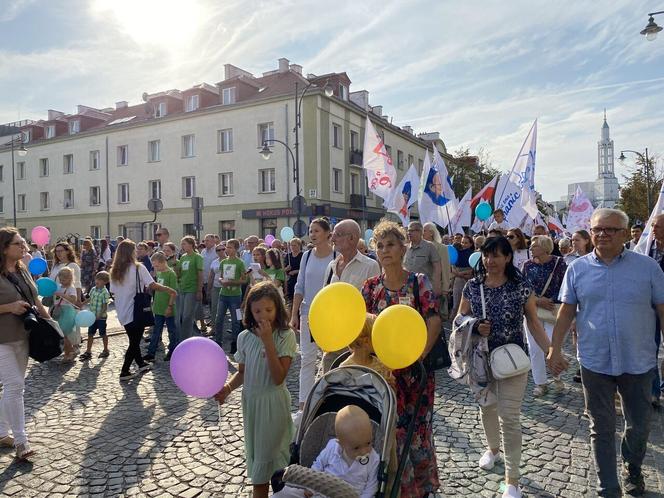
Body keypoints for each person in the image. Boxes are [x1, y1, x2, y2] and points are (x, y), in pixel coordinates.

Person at [548, 208, 664, 498]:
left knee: (639, 425)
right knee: (600, 426)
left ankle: (632, 468)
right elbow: (566, 311)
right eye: (598, 229)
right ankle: (607, 487)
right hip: (594, 361)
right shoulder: (577, 269)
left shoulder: (648, 268)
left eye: (611, 230)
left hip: (638, 361)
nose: (602, 234)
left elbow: (662, 309)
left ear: (625, 234)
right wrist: (554, 349)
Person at [456, 236, 551, 498]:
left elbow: (533, 321)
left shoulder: (520, 286)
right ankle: (493, 450)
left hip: (512, 360)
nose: (490, 261)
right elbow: (459, 318)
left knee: (509, 417)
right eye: (486, 255)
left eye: (496, 255)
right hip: (480, 359)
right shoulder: (472, 287)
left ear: (508, 257)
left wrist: (550, 350)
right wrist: (475, 324)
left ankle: (512, 480)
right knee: (486, 408)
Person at [361, 219, 441, 497]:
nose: (385, 250)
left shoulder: (418, 282)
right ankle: (394, 486)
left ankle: (423, 487)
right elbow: (363, 327)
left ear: (403, 247)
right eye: (380, 246)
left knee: (417, 434)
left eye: (391, 244)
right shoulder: (370, 287)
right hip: (383, 374)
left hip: (415, 374)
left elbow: (433, 319)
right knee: (389, 433)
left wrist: (420, 355)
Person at [214, 281, 297, 498]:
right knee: (259, 463)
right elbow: (243, 372)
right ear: (250, 311)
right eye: (257, 310)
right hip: (252, 405)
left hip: (273, 405)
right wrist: (228, 388)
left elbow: (278, 377)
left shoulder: (285, 336)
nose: (263, 316)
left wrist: (268, 342)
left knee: (270, 472)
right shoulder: (244, 337)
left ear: (277, 309)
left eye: (268, 310)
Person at [0, 227, 51, 460]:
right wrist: (9, 308)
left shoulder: (22, 270)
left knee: (12, 387)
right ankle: (21, 442)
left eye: (23, 243)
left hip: (24, 335)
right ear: (3, 248)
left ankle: (1, 433)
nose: (24, 247)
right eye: (18, 244)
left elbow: (35, 299)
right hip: (2, 339)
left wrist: (51, 323)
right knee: (15, 386)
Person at [273, 405, 380, 498]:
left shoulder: (373, 459)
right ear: (341, 443)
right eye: (356, 448)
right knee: (285, 493)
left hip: (351, 495)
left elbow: (370, 489)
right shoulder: (332, 447)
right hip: (322, 490)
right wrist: (310, 487)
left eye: (368, 443)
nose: (364, 451)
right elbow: (318, 467)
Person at [110, 240, 176, 381]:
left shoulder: (114, 270)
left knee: (133, 338)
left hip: (122, 310)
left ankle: (140, 364)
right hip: (136, 310)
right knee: (134, 343)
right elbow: (152, 284)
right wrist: (169, 290)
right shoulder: (138, 268)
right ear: (130, 252)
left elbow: (113, 292)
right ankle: (125, 371)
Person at [290, 218, 336, 418]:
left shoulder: (336, 256)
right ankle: (303, 405)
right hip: (307, 314)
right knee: (307, 360)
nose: (312, 234)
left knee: (330, 360)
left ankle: (327, 402)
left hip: (330, 316)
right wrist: (294, 314)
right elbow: (299, 286)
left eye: (316, 230)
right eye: (310, 231)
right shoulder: (306, 256)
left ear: (327, 233)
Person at [321, 219, 380, 372]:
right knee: (328, 385)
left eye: (337, 235)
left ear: (352, 238)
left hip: (357, 342)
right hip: (333, 337)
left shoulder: (370, 266)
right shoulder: (331, 265)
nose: (332, 239)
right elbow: (324, 299)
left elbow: (373, 307)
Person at [521, 235, 567, 396]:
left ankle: (557, 376)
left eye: (534, 246)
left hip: (553, 309)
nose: (531, 248)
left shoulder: (559, 263)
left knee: (552, 345)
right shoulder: (527, 265)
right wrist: (538, 301)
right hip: (533, 309)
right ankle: (540, 383)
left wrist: (551, 300)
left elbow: (564, 285)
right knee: (534, 348)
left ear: (544, 248)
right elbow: (523, 287)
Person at [643, 214, 664, 408]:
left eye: (658, 226)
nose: (654, 229)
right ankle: (654, 390)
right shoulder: (646, 248)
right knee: (651, 347)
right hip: (651, 307)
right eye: (653, 226)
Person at [341, 314, 395, 389]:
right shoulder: (346, 368)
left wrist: (390, 386)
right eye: (376, 336)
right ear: (366, 341)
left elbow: (388, 395)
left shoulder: (380, 365)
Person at [143, 252, 178, 362]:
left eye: (157, 265)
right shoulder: (159, 273)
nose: (155, 267)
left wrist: (170, 306)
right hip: (158, 307)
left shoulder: (171, 274)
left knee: (171, 331)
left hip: (168, 308)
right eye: (154, 265)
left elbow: (173, 292)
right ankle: (151, 353)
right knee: (156, 331)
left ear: (163, 262)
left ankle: (173, 351)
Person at [215, 239, 247, 355]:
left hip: (236, 296)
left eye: (230, 247)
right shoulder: (223, 262)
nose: (227, 250)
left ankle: (236, 344)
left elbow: (244, 280)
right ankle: (218, 343)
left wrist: (231, 283)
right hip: (223, 295)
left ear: (236, 249)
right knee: (219, 320)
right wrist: (221, 281)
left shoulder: (240, 263)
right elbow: (221, 277)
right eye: (226, 247)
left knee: (236, 320)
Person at [175, 236, 203, 342]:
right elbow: (180, 274)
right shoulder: (183, 257)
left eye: (184, 244)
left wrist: (199, 290)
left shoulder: (197, 257)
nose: (182, 246)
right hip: (183, 288)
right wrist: (175, 267)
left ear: (191, 245)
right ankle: (193, 336)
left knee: (187, 316)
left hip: (192, 289)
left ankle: (185, 339)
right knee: (182, 315)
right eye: (182, 244)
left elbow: (200, 274)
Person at [79, 271, 111, 361]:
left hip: (101, 318)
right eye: (97, 278)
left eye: (100, 280)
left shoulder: (105, 292)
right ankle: (88, 351)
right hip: (92, 316)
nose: (97, 281)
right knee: (90, 334)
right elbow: (90, 298)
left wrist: (100, 315)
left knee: (103, 333)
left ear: (105, 282)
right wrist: (82, 303)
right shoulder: (93, 289)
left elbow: (105, 306)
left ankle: (106, 349)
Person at [404, 221, 442, 296]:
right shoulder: (405, 248)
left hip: (424, 288)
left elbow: (437, 267)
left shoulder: (429, 246)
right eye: (408, 230)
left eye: (411, 230)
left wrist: (436, 285)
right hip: (407, 288)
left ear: (420, 232)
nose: (409, 233)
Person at [423, 222, 451, 319]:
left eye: (424, 231)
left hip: (435, 288)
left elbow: (446, 268)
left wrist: (445, 288)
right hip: (421, 287)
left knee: (435, 317)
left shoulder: (441, 248)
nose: (422, 233)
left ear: (431, 233)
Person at [53, 267, 81, 362]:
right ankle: (70, 351)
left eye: (63, 279)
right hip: (60, 312)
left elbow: (74, 300)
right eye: (60, 279)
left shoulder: (71, 288)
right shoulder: (60, 287)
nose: (61, 281)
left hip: (67, 312)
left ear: (70, 278)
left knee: (64, 334)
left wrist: (62, 295)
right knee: (61, 334)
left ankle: (68, 353)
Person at [451, 235, 475, 318]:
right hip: (458, 279)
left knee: (468, 302)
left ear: (471, 244)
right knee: (456, 301)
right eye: (462, 242)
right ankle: (454, 319)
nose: (464, 244)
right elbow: (452, 266)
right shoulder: (457, 253)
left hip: (469, 279)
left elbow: (474, 268)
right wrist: (458, 274)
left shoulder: (473, 254)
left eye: (466, 243)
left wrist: (465, 273)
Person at [207, 243, 226, 333]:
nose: (221, 251)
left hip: (228, 288)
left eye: (223, 249)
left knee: (231, 310)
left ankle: (236, 328)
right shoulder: (214, 262)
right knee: (214, 308)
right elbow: (211, 276)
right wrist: (209, 289)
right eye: (218, 250)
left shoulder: (229, 260)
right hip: (216, 287)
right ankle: (214, 328)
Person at [284, 238, 303, 303]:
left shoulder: (302, 255)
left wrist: (296, 271)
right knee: (290, 300)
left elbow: (305, 269)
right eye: (291, 245)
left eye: (294, 245)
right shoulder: (288, 256)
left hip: (299, 279)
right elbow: (283, 269)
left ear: (299, 245)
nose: (292, 247)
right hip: (290, 281)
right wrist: (287, 269)